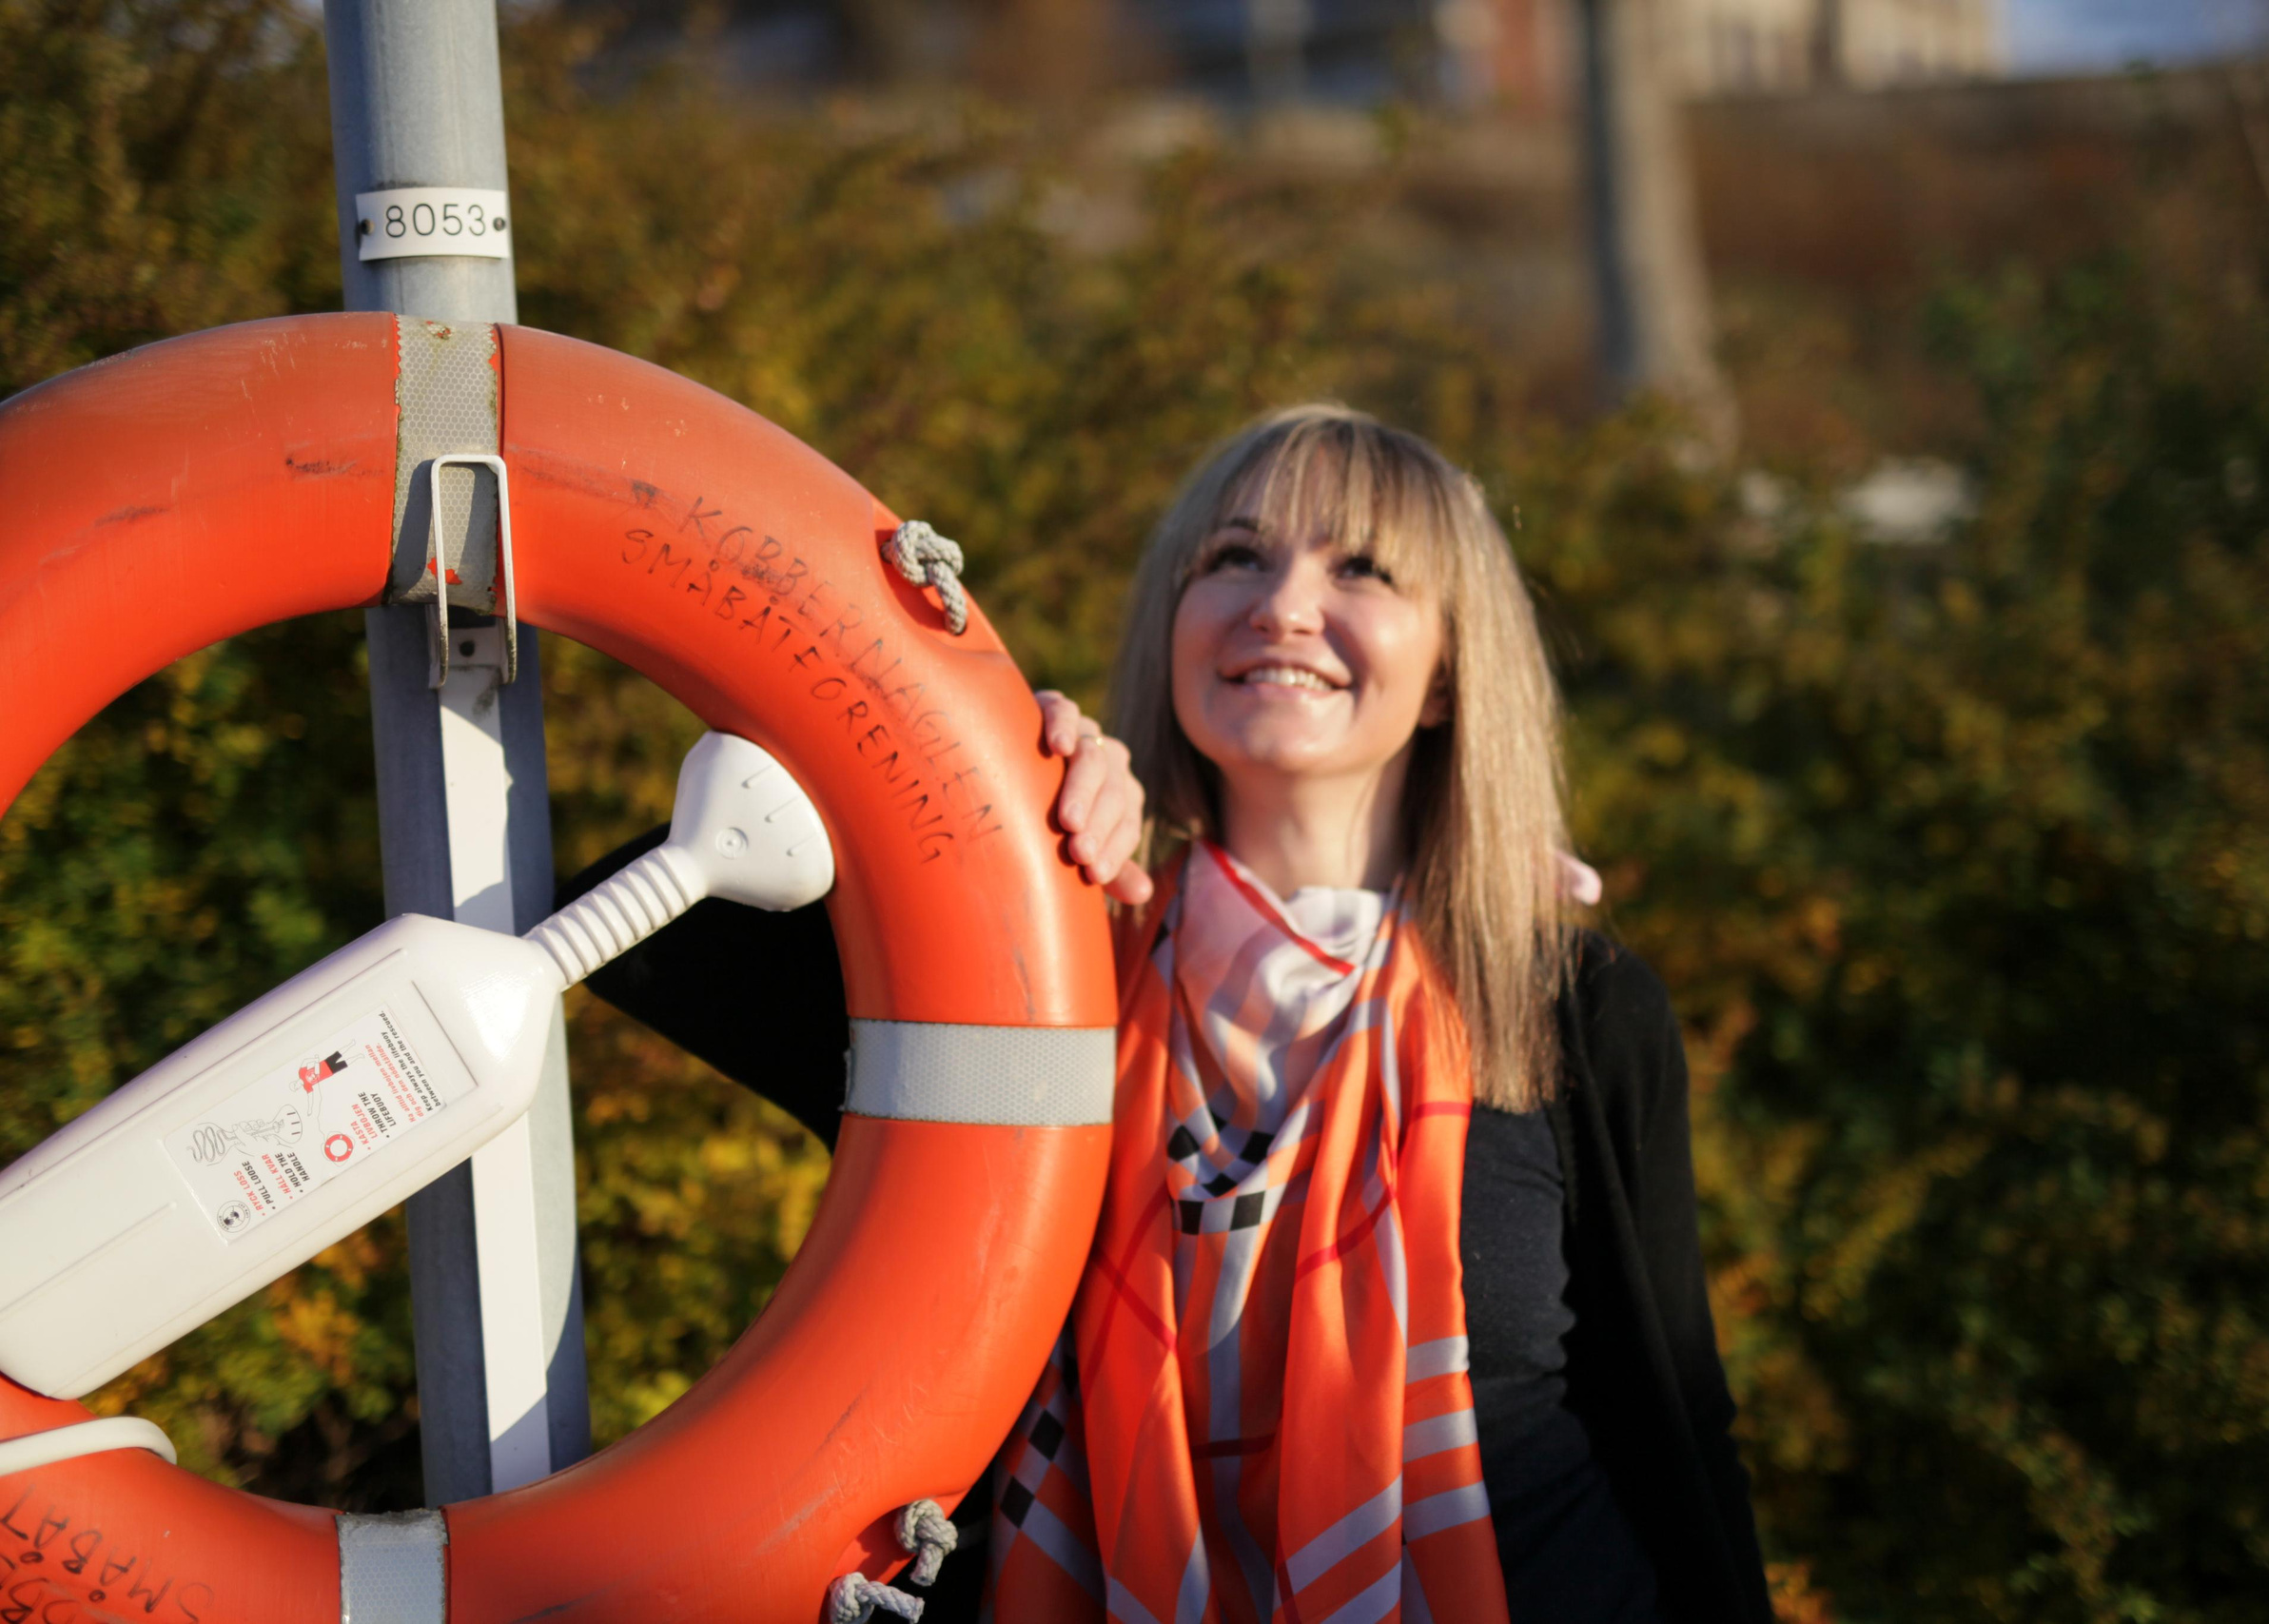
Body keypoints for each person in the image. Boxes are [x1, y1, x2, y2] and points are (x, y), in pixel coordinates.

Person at [565, 405, 1772, 1624]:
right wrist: (971, 790)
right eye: (1234, 558)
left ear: (1452, 666)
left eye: (1360, 567)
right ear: (1174, 620)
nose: (1284, 604)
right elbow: (638, 919)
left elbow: (1669, 1416)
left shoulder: (1569, 1004)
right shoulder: (1028, 979)